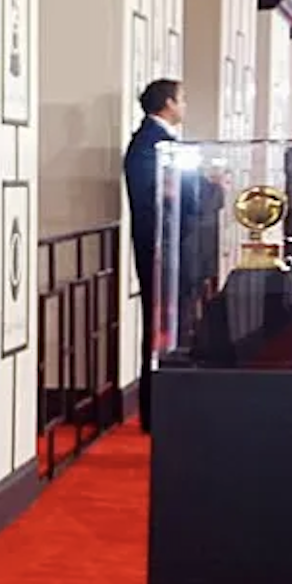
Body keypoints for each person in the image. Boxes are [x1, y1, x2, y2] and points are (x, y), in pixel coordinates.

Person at [122, 79, 182, 427]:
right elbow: (160, 196)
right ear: (168, 103)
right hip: (158, 247)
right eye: (182, 99)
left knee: (170, 327)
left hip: (177, 246)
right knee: (158, 325)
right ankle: (156, 410)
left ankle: (169, 404)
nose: (185, 106)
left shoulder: (163, 141)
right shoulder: (149, 144)